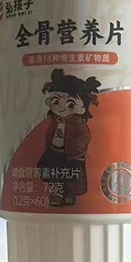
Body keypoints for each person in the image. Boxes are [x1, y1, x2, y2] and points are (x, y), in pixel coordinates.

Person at [38, 68, 101, 206]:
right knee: (50, 170)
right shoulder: (56, 120)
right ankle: (58, 191)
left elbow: (84, 135)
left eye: (70, 104)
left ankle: (68, 194)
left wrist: (75, 147)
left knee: (71, 177)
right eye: (55, 101)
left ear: (82, 108)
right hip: (55, 151)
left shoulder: (77, 123)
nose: (61, 107)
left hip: (71, 154)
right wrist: (49, 144)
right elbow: (50, 133)